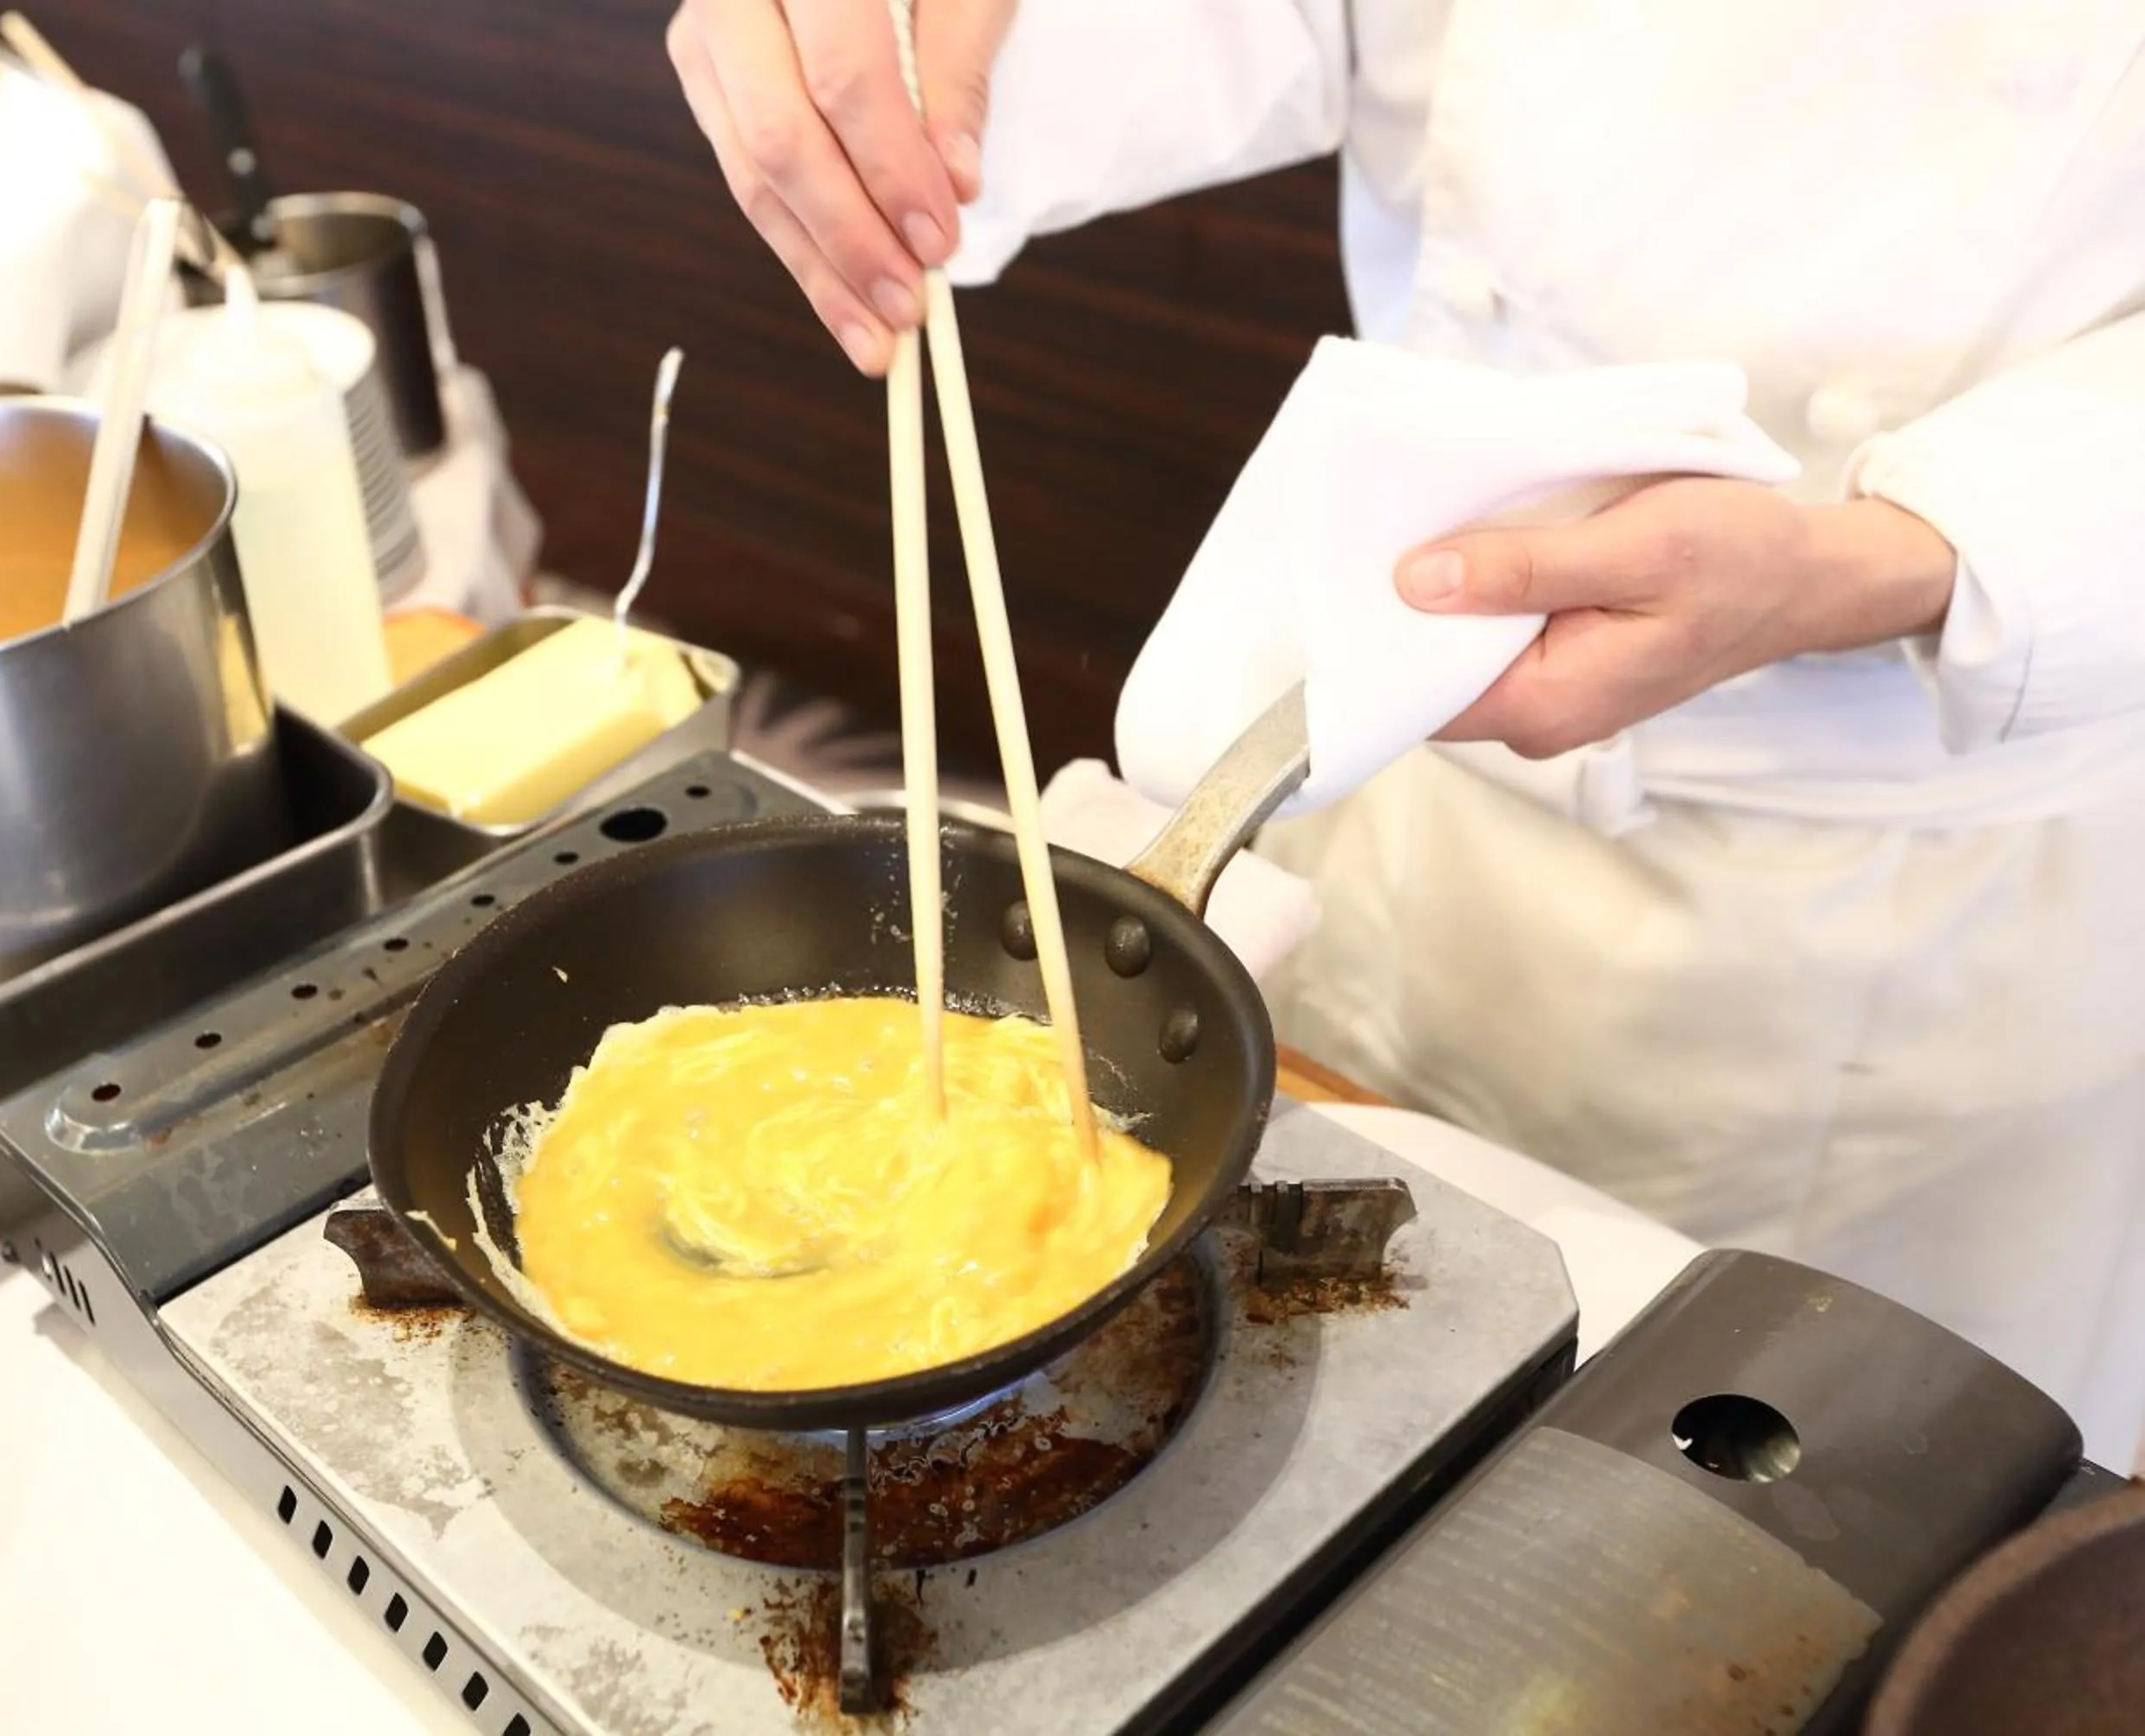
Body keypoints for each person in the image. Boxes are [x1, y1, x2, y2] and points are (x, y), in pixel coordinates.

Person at [666, 0, 2145, 1467]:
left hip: (1900, 891)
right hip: (1411, 722)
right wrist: (896, 70)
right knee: (1343, 1365)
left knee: (1797, 1519)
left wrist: (1880, 560)